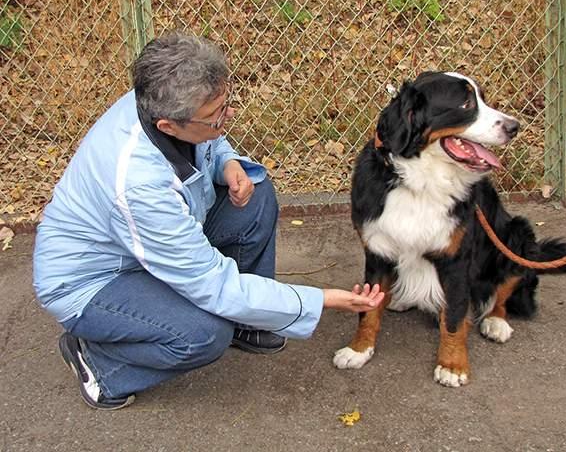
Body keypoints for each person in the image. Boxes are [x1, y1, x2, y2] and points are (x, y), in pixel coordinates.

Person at [32, 32, 383, 410]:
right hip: (93, 281)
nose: (228, 115)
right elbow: (214, 286)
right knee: (203, 333)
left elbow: (208, 139)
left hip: (144, 244)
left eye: (227, 101)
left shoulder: (160, 96)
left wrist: (227, 163)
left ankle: (248, 323)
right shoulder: (138, 184)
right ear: (168, 125)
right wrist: (321, 299)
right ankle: (101, 364)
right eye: (217, 114)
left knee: (256, 195)